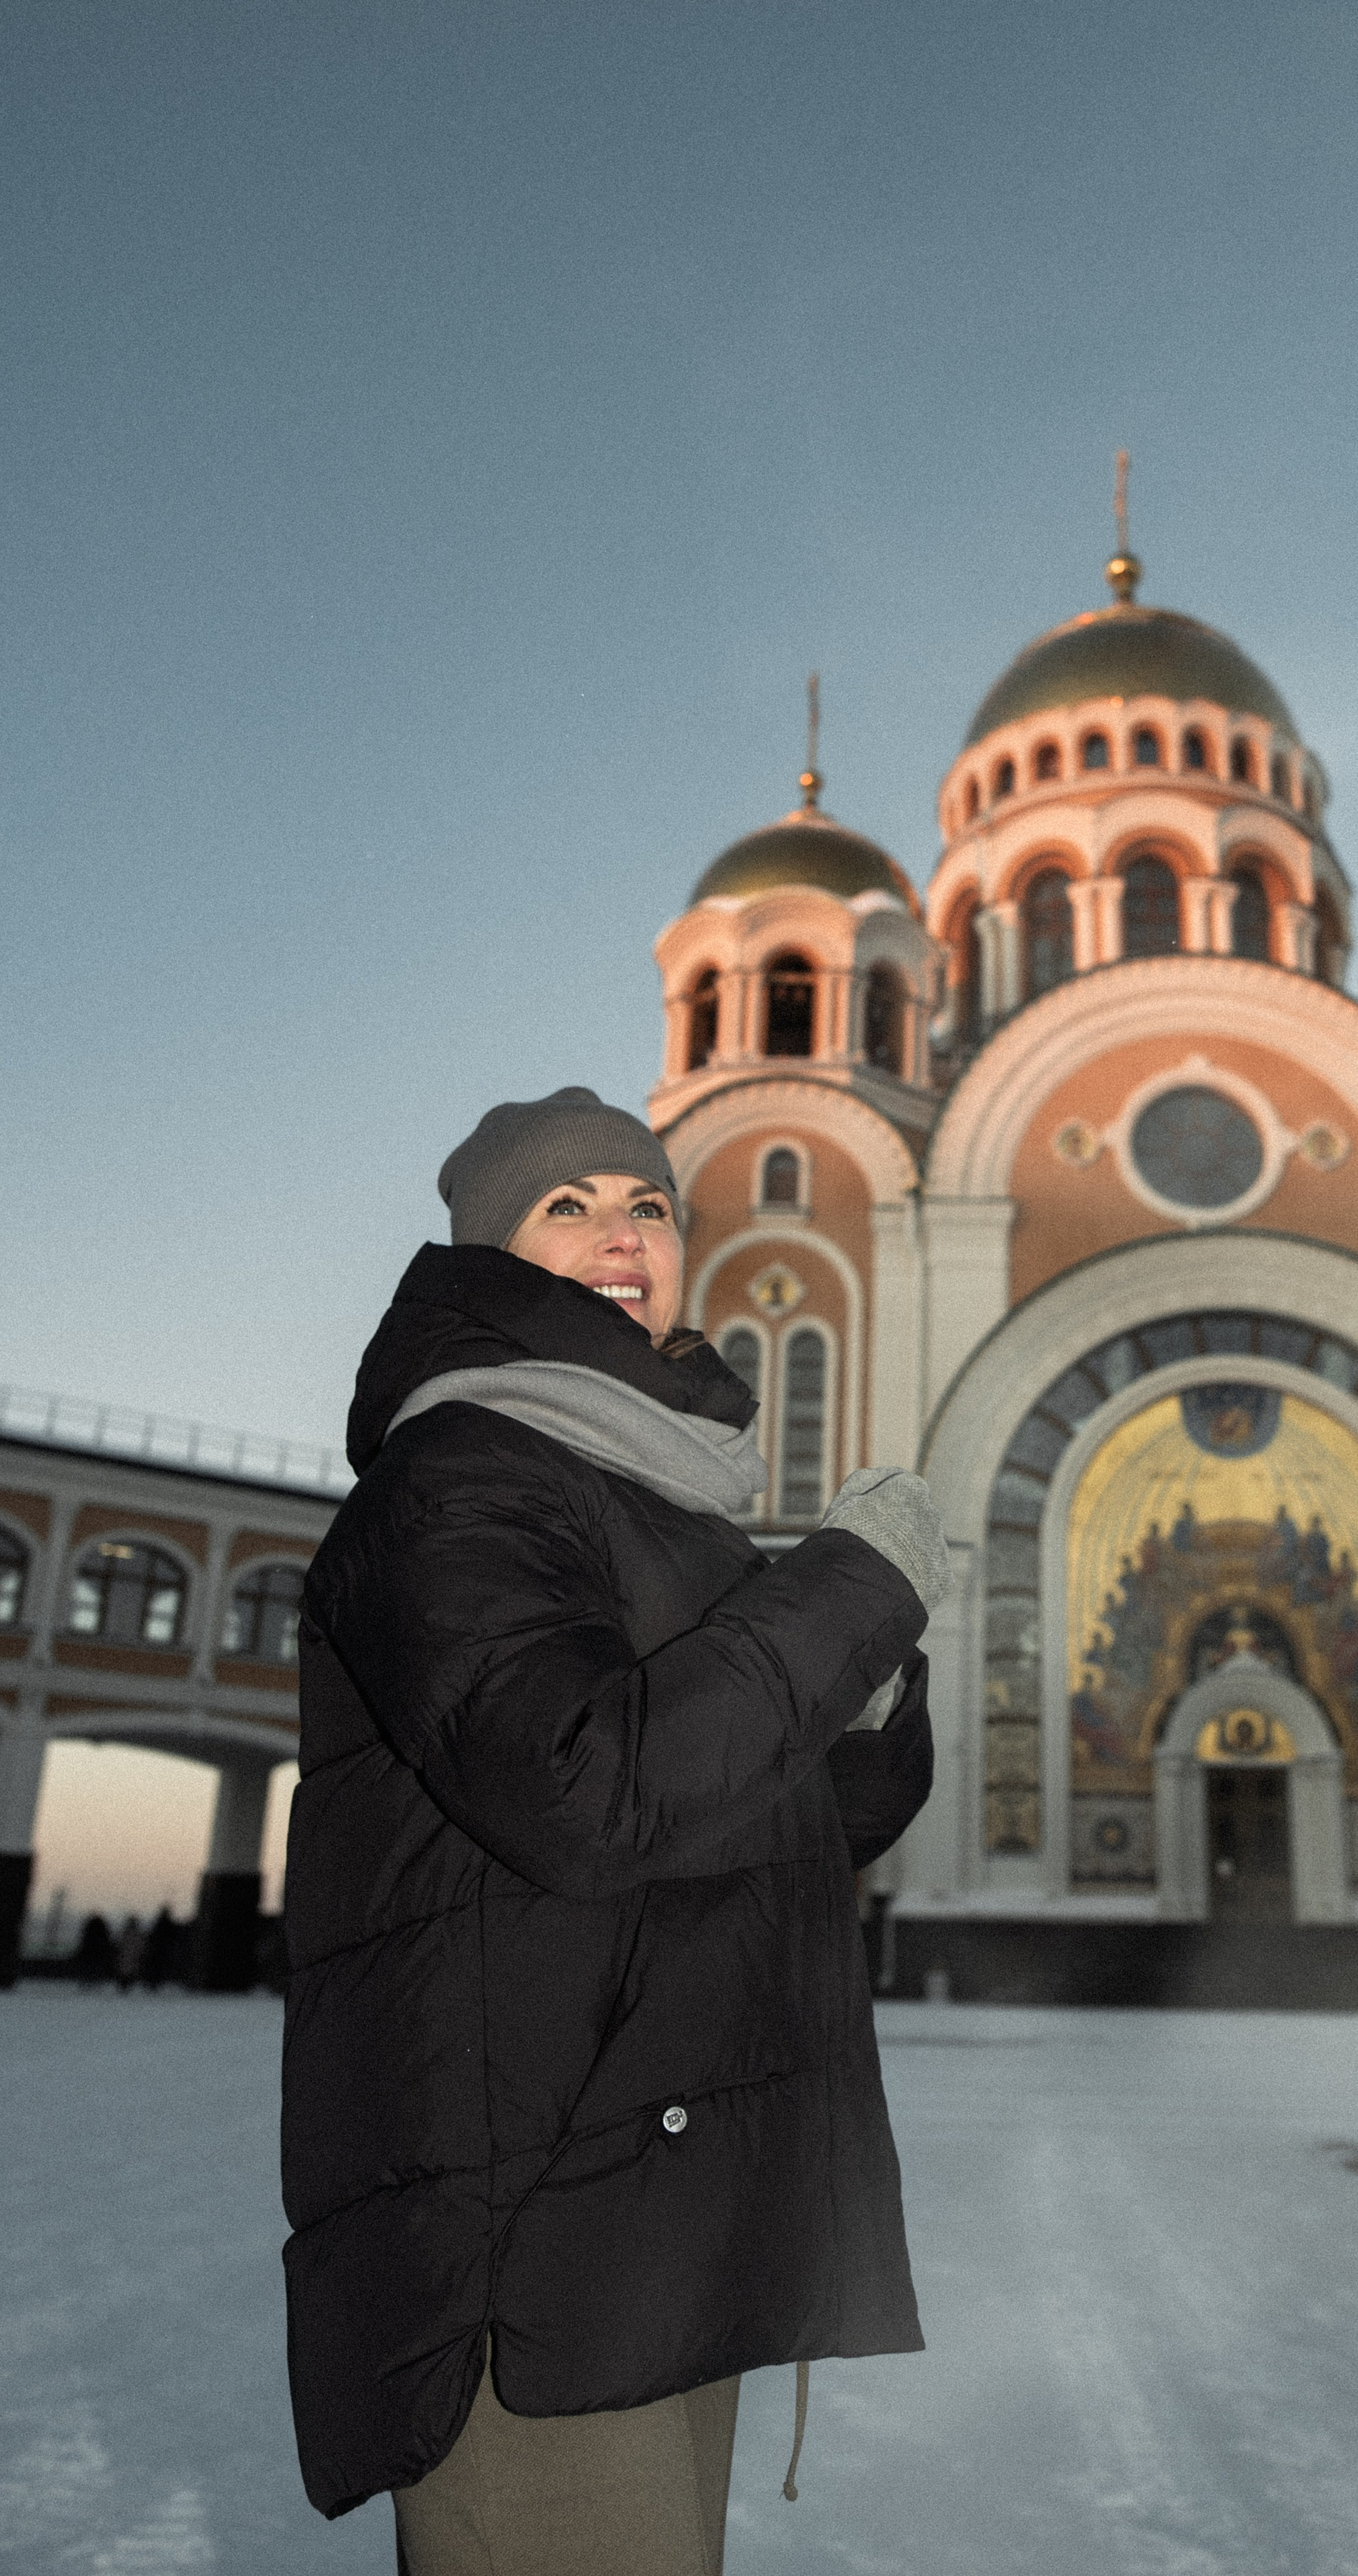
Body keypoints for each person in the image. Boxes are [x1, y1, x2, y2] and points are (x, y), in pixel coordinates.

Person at [281, 1088, 945, 2574]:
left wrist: (859, 1706)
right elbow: (585, 1795)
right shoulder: (460, 1478)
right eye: (565, 1205)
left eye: (647, 1204)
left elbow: (740, 1834)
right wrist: (842, 1589)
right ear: (488, 1254)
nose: (621, 1234)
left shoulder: (648, 1490)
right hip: (529, 2232)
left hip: (651, 2209)